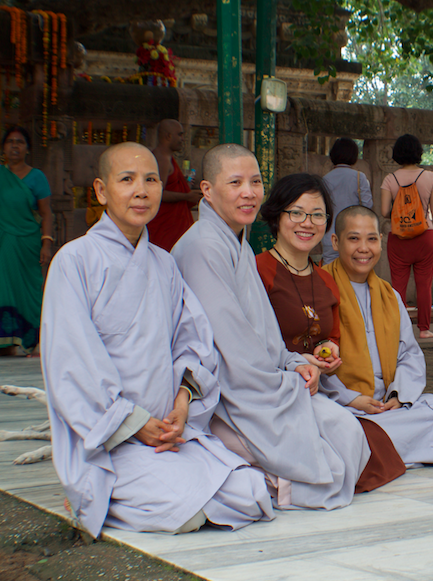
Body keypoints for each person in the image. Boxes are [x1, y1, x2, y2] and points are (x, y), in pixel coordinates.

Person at [40, 143, 274, 538]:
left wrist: (183, 402)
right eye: (127, 179)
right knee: (185, 514)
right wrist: (134, 423)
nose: (142, 191)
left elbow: (192, 341)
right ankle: (94, 494)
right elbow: (72, 363)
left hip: (169, 431)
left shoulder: (163, 263)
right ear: (101, 191)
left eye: (151, 180)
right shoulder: (74, 260)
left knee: (251, 494)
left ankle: (155, 486)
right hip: (111, 439)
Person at [172, 144, 371, 510]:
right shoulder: (203, 246)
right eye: (235, 182)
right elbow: (230, 347)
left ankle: (276, 477)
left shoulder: (239, 246)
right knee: (332, 468)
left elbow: (264, 333)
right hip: (232, 392)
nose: (248, 192)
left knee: (349, 437)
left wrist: (295, 363)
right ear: (207, 190)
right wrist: (286, 381)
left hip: (268, 379)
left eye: (255, 181)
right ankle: (273, 483)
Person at [255, 173, 405, 487]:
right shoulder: (257, 271)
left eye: (317, 215)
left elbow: (329, 336)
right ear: (277, 215)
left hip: (316, 390)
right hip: (272, 389)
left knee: (357, 435)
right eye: (296, 213)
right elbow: (250, 344)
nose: (306, 223)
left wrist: (329, 350)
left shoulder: (325, 280)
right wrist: (296, 363)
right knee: (348, 435)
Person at [324, 205, 433, 465]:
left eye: (371, 239)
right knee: (339, 429)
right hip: (343, 405)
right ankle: (390, 453)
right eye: (353, 238)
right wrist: (353, 399)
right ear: (336, 242)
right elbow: (313, 360)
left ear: (380, 243)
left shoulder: (389, 295)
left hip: (386, 406)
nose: (363, 248)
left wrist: (398, 395)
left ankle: (377, 455)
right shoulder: (320, 288)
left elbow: (409, 353)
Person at [380, 134, 433, 339]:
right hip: (426, 235)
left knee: (398, 285)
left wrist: (401, 211)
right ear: (418, 152)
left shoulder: (390, 179)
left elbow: (383, 211)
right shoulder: (430, 177)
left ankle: (399, 329)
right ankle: (424, 329)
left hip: (399, 237)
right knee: (425, 284)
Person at [1, 126, 53, 356]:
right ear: (3, 148)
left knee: (33, 291)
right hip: (4, 243)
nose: (15, 146)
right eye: (10, 141)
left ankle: (33, 340)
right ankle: (9, 342)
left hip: (28, 244)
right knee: (5, 289)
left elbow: (47, 213)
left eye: (20, 142)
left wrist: (46, 243)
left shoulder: (36, 177)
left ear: (27, 149)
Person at [150, 119, 201, 252]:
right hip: (164, 228)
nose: (182, 139)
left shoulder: (167, 158)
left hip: (174, 224)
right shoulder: (161, 159)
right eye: (180, 135)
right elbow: (157, 193)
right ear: (168, 136)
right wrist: (186, 196)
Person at [320, 138, 372, 264]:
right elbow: (368, 206)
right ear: (354, 156)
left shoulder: (324, 180)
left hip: (329, 236)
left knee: (329, 274)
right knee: (352, 271)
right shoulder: (359, 178)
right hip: (354, 235)